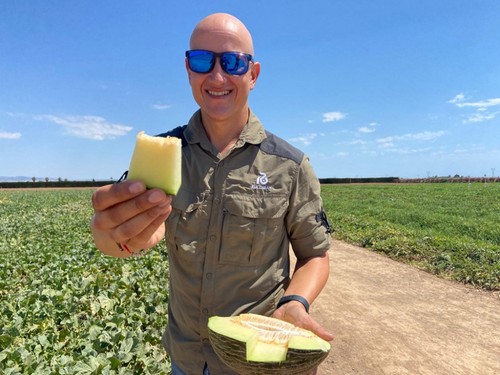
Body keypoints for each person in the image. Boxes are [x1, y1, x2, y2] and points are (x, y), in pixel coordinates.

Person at [91, 12, 333, 374]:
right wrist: (110, 237)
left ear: (253, 74)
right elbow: (120, 238)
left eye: (234, 62)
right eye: (203, 60)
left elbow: (315, 254)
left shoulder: (290, 165)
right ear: (189, 71)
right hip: (187, 357)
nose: (217, 76)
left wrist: (296, 301)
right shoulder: (164, 153)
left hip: (257, 362)